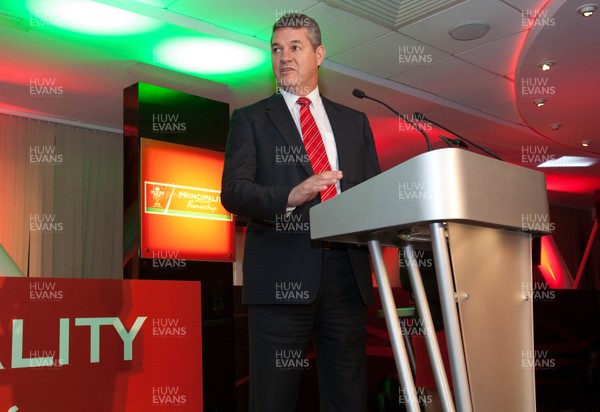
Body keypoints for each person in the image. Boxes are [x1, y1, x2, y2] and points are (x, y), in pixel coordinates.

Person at [221, 13, 381, 411]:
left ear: (319, 53)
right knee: (273, 397)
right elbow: (234, 192)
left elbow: (373, 192)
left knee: (347, 397)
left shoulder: (355, 121)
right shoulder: (251, 119)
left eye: (295, 47)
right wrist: (290, 196)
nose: (284, 57)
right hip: (280, 277)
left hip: (347, 275)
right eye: (276, 49)